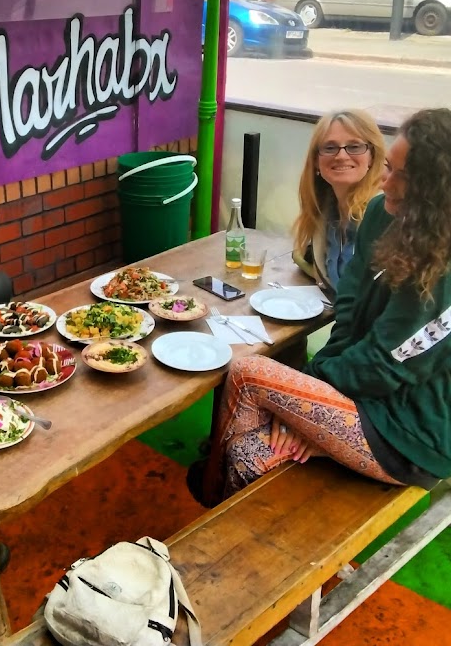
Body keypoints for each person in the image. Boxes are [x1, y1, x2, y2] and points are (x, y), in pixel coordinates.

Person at [193, 108, 451, 508]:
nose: (386, 180)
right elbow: (347, 317)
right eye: (389, 167)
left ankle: (211, 489)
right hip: (361, 401)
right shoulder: (382, 215)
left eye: (402, 174)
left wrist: (311, 403)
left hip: (409, 434)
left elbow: (386, 365)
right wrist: (309, 408)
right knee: (249, 455)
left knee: (247, 372)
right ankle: (231, 508)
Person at [292, 110, 386, 295]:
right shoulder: (325, 212)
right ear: (316, 161)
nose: (341, 156)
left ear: (372, 157)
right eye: (330, 147)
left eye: (355, 146)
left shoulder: (382, 213)